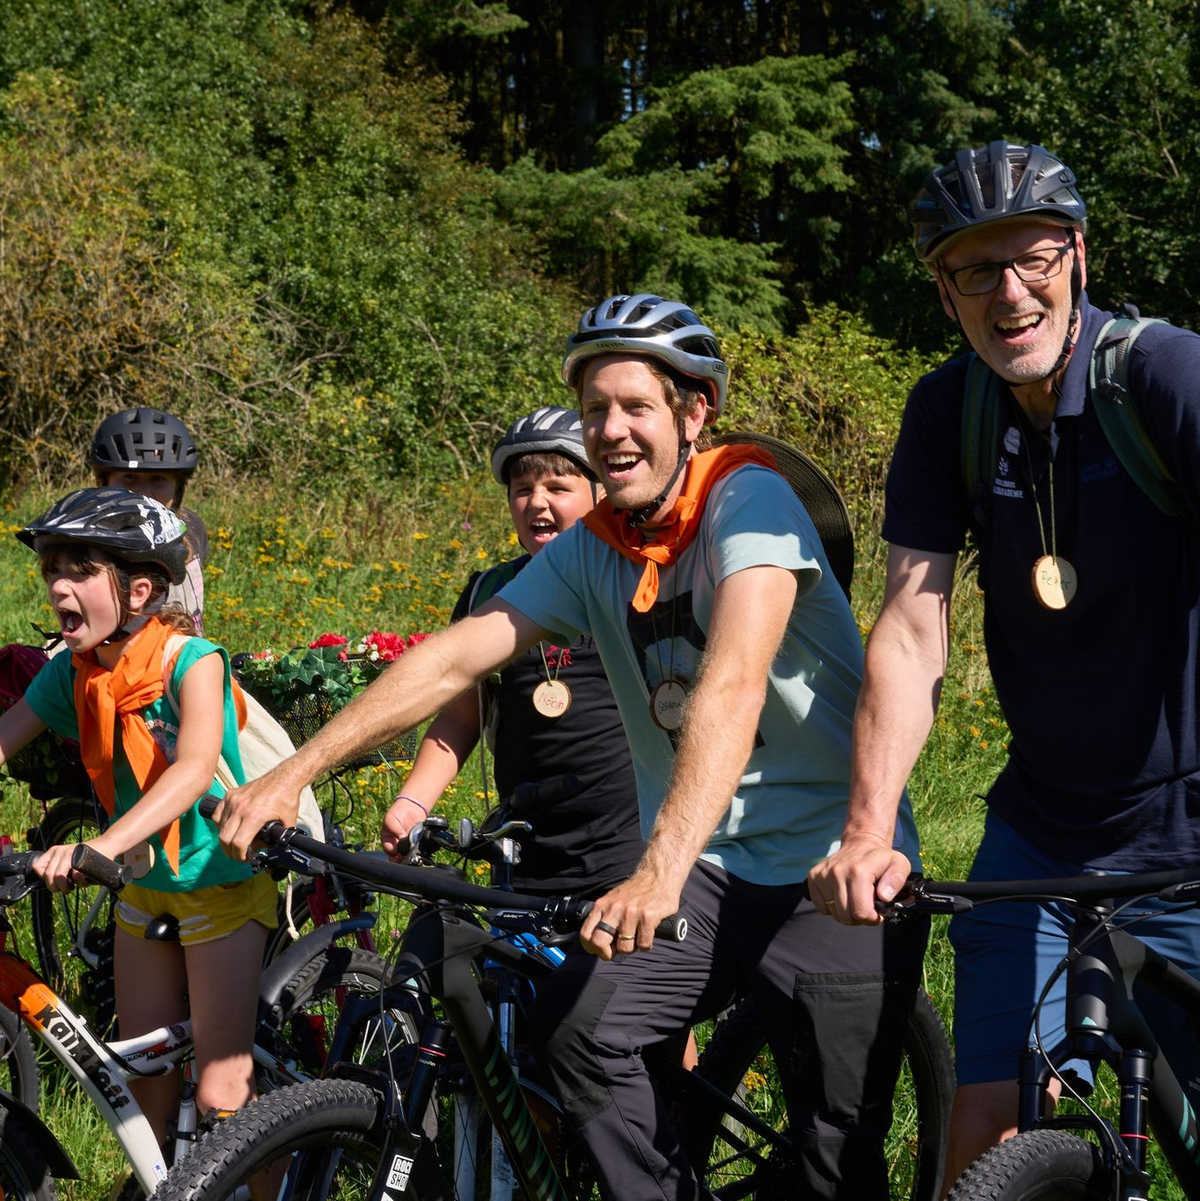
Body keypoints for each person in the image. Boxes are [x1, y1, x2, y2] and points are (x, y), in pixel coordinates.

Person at [216, 292, 926, 1200]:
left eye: (636, 406)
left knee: (838, 1157)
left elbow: (736, 678)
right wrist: (294, 770)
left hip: (833, 864)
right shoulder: (594, 548)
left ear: (693, 410)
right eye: (597, 410)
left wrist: (659, 867)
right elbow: (451, 661)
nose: (613, 431)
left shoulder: (750, 499)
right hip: (714, 866)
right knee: (579, 1034)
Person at [806, 140, 1200, 1188]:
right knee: (986, 1129)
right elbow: (909, 624)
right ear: (944, 293)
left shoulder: (1165, 375)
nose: (1009, 294)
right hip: (1040, 828)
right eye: (975, 271)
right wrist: (866, 827)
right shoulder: (951, 411)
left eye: (1029, 258)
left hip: (1188, 830)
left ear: (1077, 254)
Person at [0, 487, 276, 1150]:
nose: (59, 587)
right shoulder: (75, 672)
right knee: (143, 1092)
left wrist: (100, 845)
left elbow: (191, 769)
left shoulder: (193, 661)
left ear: (140, 591)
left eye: (78, 571)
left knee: (222, 1095)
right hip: (143, 890)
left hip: (219, 885)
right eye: (51, 572)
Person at [381, 406, 643, 900]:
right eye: (523, 491)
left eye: (558, 489)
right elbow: (462, 718)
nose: (536, 503)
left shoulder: (633, 581)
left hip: (630, 854)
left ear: (600, 494)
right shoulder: (491, 592)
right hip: (522, 852)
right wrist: (413, 801)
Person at [91, 407, 208, 635]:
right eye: (130, 478)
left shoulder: (193, 530)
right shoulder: (86, 545)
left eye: (158, 479)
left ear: (179, 487)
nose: (144, 493)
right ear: (102, 481)